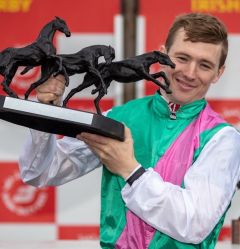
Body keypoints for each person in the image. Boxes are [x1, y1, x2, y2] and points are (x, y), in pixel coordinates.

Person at [19, 13, 240, 249]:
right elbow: (39, 172)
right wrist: (47, 110)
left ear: (218, 73)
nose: (190, 73)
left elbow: (193, 224)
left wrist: (130, 170)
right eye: (182, 58)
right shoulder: (119, 117)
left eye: (204, 65)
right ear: (163, 54)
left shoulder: (223, 139)